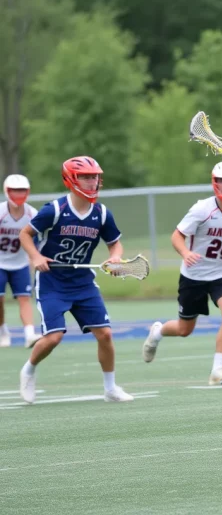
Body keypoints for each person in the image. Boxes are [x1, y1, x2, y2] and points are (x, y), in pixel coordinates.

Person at [18, 156, 133, 404]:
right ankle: (28, 369)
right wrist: (36, 256)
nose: (93, 182)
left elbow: (115, 244)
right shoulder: (55, 210)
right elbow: (25, 235)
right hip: (52, 282)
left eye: (95, 177)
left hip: (83, 283)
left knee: (105, 334)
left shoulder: (101, 214)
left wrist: (115, 258)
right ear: (71, 179)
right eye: (86, 177)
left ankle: (110, 388)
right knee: (54, 337)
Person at [142, 162, 222, 385]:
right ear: (215, 182)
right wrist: (185, 253)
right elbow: (177, 236)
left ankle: (217, 369)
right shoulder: (202, 209)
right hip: (193, 275)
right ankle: (157, 332)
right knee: (185, 329)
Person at [0, 175, 42, 348]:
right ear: (7, 191)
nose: (18, 194)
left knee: (25, 298)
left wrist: (36, 256)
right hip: (0, 263)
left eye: (22, 191)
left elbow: (38, 239)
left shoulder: (32, 214)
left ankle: (29, 334)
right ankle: (3, 331)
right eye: (14, 191)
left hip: (20, 263)